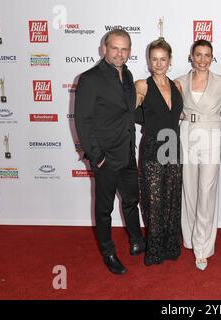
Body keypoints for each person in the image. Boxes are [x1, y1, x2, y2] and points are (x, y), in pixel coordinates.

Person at [74, 29, 146, 275]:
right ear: (104, 49)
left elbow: (128, 113)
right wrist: (98, 157)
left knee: (131, 200)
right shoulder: (89, 78)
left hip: (127, 151)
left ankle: (137, 239)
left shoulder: (127, 75)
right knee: (104, 209)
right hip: (105, 156)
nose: (120, 53)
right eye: (115, 48)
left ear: (129, 51)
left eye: (124, 49)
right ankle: (109, 252)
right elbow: (83, 122)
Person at [175, 40, 221, 271]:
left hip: (212, 135)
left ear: (212, 57)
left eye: (207, 55)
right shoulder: (179, 82)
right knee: (189, 189)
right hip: (187, 134)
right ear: (191, 56)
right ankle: (190, 237)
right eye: (199, 55)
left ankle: (203, 248)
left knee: (206, 191)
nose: (203, 60)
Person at [135, 38, 183, 266]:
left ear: (170, 61)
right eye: (154, 59)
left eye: (163, 59)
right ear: (149, 61)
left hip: (173, 144)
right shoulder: (142, 85)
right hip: (153, 146)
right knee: (153, 201)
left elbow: (177, 116)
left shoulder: (177, 86)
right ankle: (154, 251)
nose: (158, 63)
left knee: (172, 198)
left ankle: (171, 247)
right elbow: (129, 114)